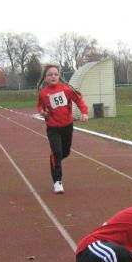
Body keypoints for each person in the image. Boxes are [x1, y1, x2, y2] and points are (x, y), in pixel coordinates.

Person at [36, 64, 89, 194]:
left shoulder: (66, 89)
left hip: (67, 126)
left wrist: (84, 112)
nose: (53, 77)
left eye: (55, 74)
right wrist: (42, 112)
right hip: (53, 127)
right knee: (57, 153)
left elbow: (79, 99)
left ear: (59, 76)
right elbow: (40, 106)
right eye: (50, 75)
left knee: (65, 152)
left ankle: (55, 158)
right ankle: (57, 182)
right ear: (45, 78)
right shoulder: (43, 93)